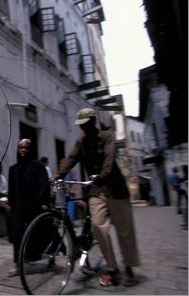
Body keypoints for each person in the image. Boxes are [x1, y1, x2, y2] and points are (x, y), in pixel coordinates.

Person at [55, 108, 140, 287]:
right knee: (97, 225)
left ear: (93, 121)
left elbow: (109, 159)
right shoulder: (81, 141)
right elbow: (71, 158)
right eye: (81, 125)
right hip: (95, 190)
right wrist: (59, 174)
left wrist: (102, 175)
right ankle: (112, 269)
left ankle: (129, 267)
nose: (83, 128)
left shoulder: (107, 136)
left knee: (124, 231)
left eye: (86, 124)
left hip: (115, 189)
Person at [6, 139, 50, 277]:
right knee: (18, 235)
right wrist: (11, 205)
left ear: (31, 150)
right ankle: (18, 265)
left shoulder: (38, 167)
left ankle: (36, 256)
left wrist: (44, 202)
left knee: (35, 234)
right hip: (18, 207)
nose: (23, 150)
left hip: (34, 206)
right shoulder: (14, 169)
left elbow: (44, 185)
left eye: (25, 148)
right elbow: (11, 190)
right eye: (20, 147)